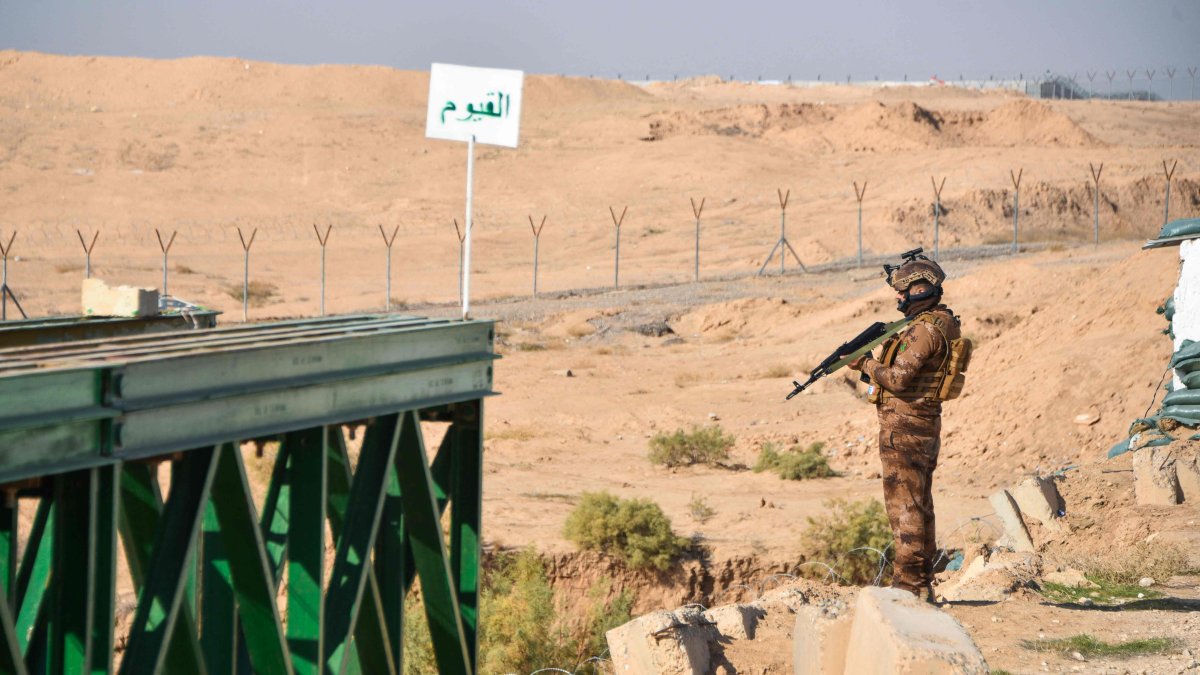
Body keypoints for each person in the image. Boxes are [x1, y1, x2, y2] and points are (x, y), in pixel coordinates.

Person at [847, 253, 963, 601]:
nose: (898, 298)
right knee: (919, 502)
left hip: (907, 428)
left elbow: (898, 379)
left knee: (905, 507)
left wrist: (864, 362)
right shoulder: (941, 321)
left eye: (903, 291)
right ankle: (920, 583)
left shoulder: (926, 328)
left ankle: (909, 586)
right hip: (920, 424)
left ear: (921, 289)